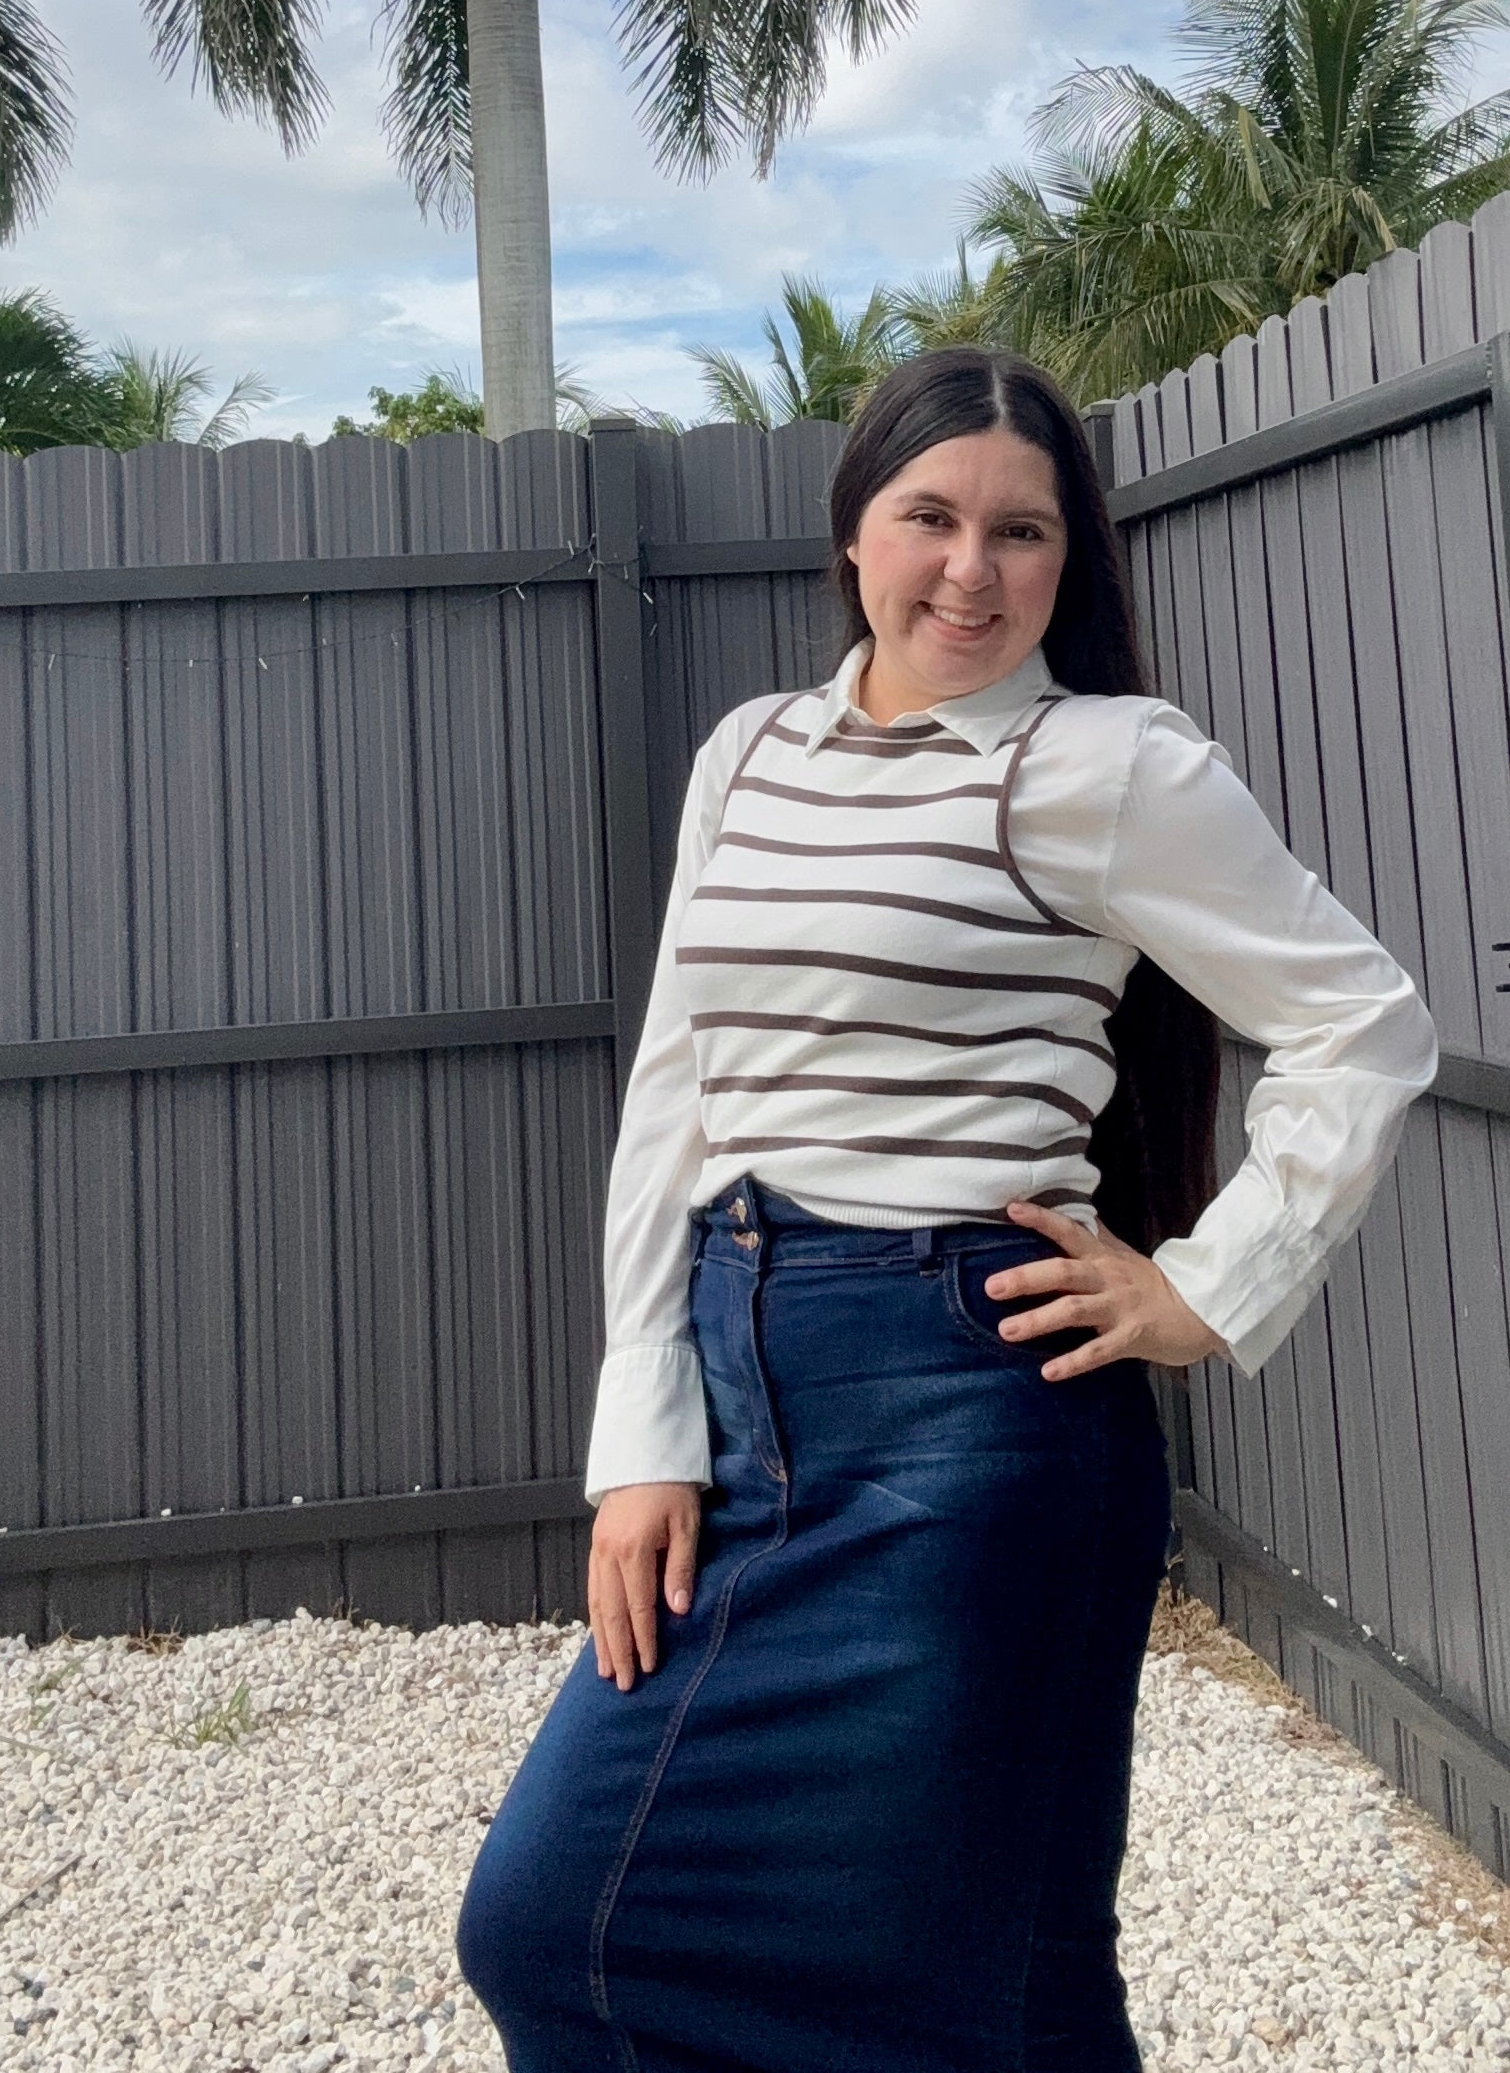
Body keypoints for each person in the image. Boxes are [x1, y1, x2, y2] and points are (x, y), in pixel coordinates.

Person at [458, 348, 1437, 2072]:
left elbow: (1362, 1020)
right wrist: (641, 1436)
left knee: (904, 1957)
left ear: (1071, 560)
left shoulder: (1111, 765)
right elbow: (677, 1090)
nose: (970, 570)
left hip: (967, 1410)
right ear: (855, 532)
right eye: (930, 517)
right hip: (742, 1378)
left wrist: (1207, 1287)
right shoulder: (748, 752)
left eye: (1022, 531)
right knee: (627, 1931)